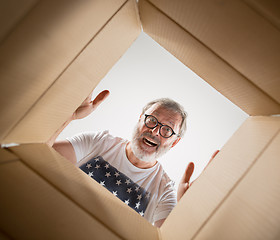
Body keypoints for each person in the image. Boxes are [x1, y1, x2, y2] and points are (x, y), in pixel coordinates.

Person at [47, 90, 196, 227]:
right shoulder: (98, 142)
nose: (155, 131)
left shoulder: (164, 192)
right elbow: (38, 154)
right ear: (140, 119)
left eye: (167, 129)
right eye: (152, 120)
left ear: (174, 142)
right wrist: (70, 116)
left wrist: (183, 215)